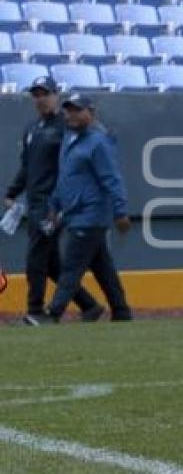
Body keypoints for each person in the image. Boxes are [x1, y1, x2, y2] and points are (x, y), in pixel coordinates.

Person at [26, 94, 133, 324]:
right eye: (69, 110)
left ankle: (52, 314)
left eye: (77, 110)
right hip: (75, 214)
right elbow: (65, 177)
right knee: (103, 268)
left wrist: (120, 212)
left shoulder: (99, 142)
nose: (71, 114)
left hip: (91, 215)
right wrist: (55, 205)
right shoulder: (69, 140)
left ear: (91, 113)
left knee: (71, 268)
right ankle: (121, 311)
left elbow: (112, 179)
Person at [4, 77, 103, 325]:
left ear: (56, 95)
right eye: (36, 94)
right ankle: (89, 306)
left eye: (44, 94)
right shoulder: (32, 128)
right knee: (50, 264)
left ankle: (35, 310)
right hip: (35, 202)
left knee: (36, 258)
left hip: (53, 205)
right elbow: (27, 166)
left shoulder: (66, 127)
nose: (40, 99)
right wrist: (12, 192)